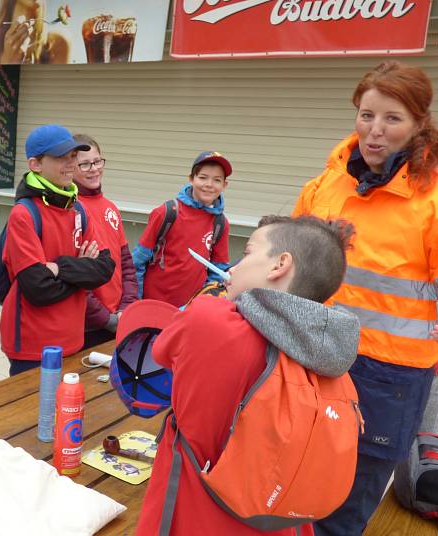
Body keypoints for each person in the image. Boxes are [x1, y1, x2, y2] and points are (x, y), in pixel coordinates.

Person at [294, 60, 438, 535]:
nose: (375, 131)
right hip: (311, 359)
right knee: (297, 483)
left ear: (419, 124)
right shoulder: (329, 182)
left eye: (392, 118)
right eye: (367, 115)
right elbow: (291, 253)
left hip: (388, 378)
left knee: (346, 503)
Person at [135, 215, 361, 535]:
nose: (232, 269)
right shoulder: (332, 364)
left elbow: (160, 353)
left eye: (248, 254)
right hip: (283, 523)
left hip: (192, 520)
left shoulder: (211, 321)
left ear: (279, 265)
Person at [0, 124, 115, 375]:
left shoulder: (78, 208)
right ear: (35, 164)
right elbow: (38, 288)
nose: (70, 163)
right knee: (32, 414)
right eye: (60, 157)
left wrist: (58, 267)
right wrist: (81, 270)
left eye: (73, 156)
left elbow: (105, 268)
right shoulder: (24, 213)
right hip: (33, 346)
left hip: (74, 339)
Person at [132, 152, 232, 307]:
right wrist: (135, 302)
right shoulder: (168, 212)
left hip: (189, 310)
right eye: (203, 177)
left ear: (224, 185)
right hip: (152, 303)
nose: (209, 184)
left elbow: (217, 272)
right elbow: (137, 261)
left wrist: (201, 302)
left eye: (217, 180)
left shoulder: (220, 223)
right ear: (191, 179)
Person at [71, 134, 138, 347]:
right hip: (88, 325)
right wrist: (105, 319)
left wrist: (126, 308)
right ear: (69, 167)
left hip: (118, 318)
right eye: (84, 164)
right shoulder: (69, 210)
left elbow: (126, 265)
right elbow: (75, 277)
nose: (94, 168)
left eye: (97, 161)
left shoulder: (111, 207)